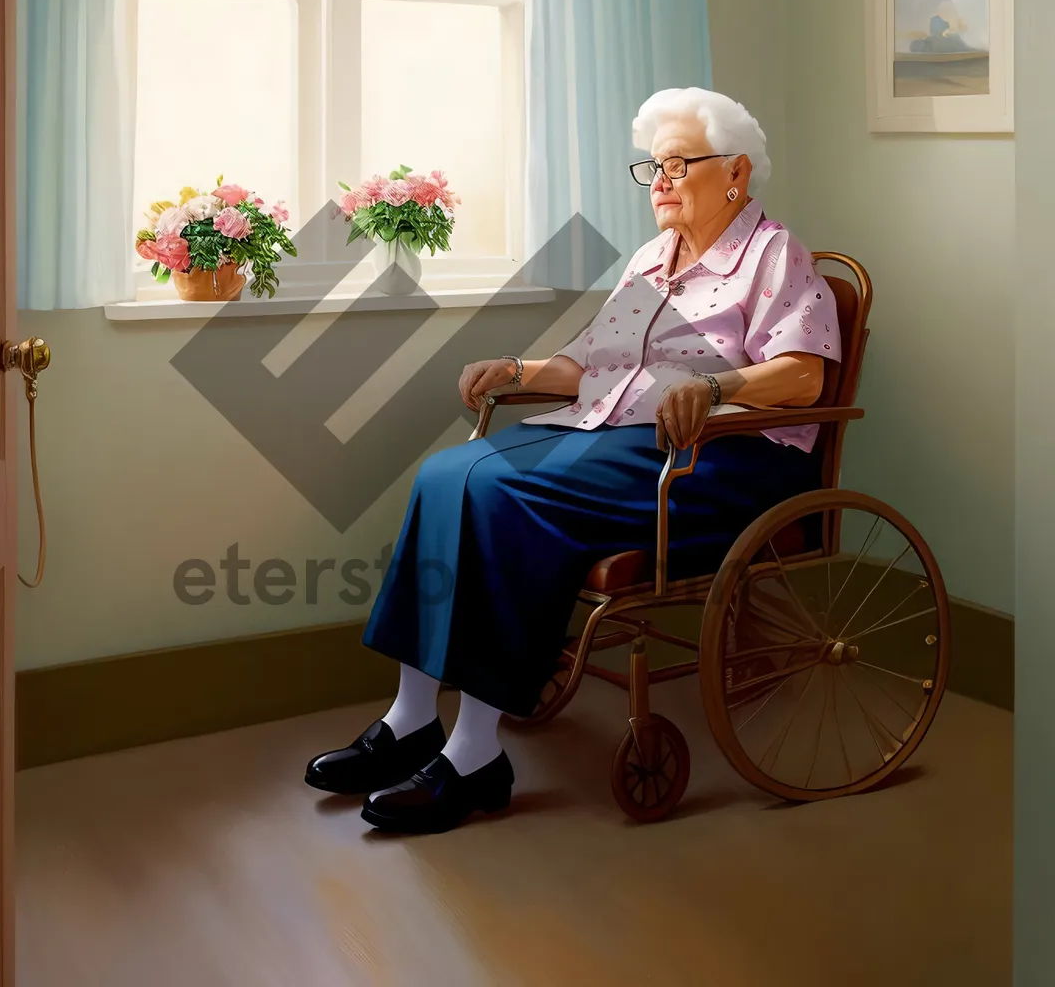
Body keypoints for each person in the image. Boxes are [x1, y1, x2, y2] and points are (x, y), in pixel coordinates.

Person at [305, 87, 842, 833]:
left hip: (721, 461)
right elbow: (593, 363)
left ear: (736, 174)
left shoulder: (772, 255)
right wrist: (517, 371)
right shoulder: (655, 257)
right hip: (619, 435)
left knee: (506, 491)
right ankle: (411, 717)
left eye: (678, 164)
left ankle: (473, 752)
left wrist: (717, 386)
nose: (659, 181)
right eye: (652, 167)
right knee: (446, 473)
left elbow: (805, 373)